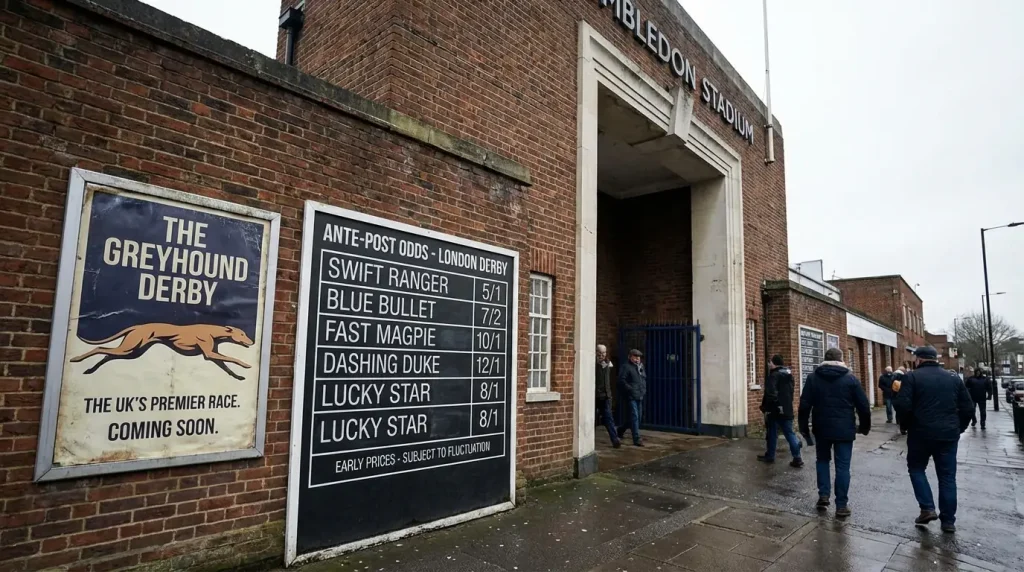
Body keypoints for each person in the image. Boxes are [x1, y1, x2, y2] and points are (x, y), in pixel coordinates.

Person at [893, 346, 974, 533]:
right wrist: (959, 428)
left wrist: (906, 425)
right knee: (947, 477)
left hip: (920, 434)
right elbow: (968, 408)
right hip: (948, 435)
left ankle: (927, 508)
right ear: (935, 359)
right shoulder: (953, 378)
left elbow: (903, 406)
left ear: (919, 360)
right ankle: (948, 521)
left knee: (916, 469)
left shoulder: (911, 377)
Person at [798, 347, 871, 518]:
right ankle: (841, 505)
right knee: (843, 467)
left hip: (821, 427)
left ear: (825, 359)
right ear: (841, 359)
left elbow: (804, 405)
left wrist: (804, 428)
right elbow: (863, 406)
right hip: (844, 429)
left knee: (822, 461)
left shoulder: (813, 378)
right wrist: (864, 427)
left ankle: (823, 495)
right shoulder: (850, 379)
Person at [758, 354, 803, 468]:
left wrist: (768, 407)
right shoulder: (789, 375)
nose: (769, 364)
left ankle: (770, 455)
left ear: (774, 363)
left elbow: (770, 393)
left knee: (772, 433)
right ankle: (797, 457)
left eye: (770, 362)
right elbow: (791, 392)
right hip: (787, 409)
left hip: (775, 409)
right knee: (789, 433)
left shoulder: (774, 375)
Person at [617, 349, 646, 447]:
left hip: (639, 395)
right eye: (635, 356)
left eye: (638, 357)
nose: (637, 359)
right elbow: (621, 380)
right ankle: (636, 439)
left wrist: (643, 389)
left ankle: (621, 429)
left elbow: (643, 378)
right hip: (631, 396)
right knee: (635, 416)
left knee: (637, 418)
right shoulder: (626, 367)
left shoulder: (640, 367)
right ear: (630, 357)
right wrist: (630, 389)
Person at [595, 344, 621, 448]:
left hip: (605, 396)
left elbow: (611, 380)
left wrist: (610, 395)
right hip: (594, 396)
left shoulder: (609, 364)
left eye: (603, 353)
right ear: (596, 352)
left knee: (608, 418)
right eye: (599, 353)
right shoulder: (592, 363)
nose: (601, 355)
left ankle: (615, 440)